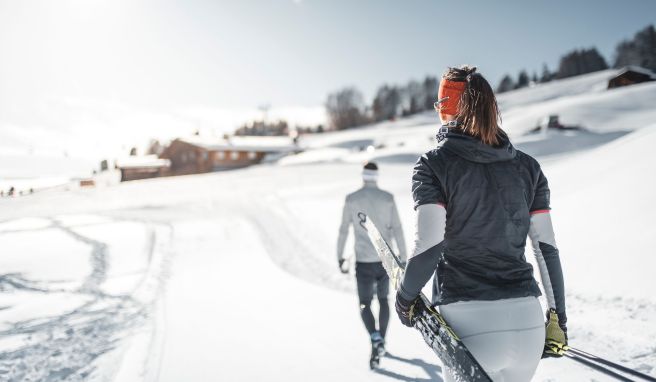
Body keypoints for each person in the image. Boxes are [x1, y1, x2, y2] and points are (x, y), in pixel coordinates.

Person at [394, 65, 568, 382]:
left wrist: (405, 299)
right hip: (527, 326)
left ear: (446, 107)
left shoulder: (433, 164)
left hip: (469, 324)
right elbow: (546, 249)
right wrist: (559, 319)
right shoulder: (529, 167)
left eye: (438, 104)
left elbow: (430, 244)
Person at [337, 162, 407, 362]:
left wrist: (339, 256)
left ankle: (375, 338)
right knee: (384, 300)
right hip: (385, 260)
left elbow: (343, 230)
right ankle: (381, 340)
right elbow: (398, 229)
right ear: (376, 176)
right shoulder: (388, 198)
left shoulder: (352, 199)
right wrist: (403, 257)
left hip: (363, 260)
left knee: (365, 303)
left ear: (363, 175)